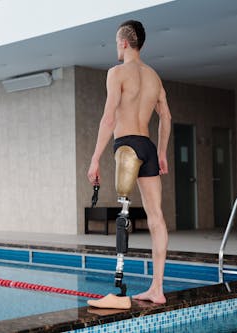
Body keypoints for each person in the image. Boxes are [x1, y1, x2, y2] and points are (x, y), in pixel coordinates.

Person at [86, 20, 171, 308]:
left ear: (123, 43)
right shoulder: (154, 77)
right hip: (147, 145)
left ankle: (118, 288)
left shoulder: (117, 73)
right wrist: (161, 153)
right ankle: (157, 288)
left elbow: (109, 118)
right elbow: (166, 118)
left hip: (126, 145)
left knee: (124, 211)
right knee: (156, 217)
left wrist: (95, 158)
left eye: (116, 42)